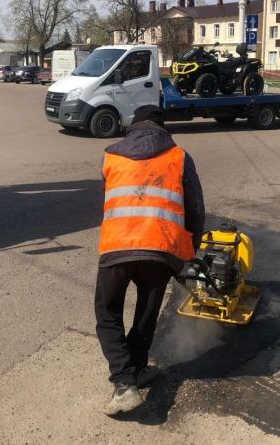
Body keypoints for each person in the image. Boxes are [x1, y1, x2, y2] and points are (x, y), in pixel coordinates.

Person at [95, 105, 205, 416]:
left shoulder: (110, 156)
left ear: (132, 126)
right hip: (160, 249)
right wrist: (190, 251)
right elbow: (195, 208)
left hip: (117, 247)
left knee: (107, 313)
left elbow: (108, 197)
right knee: (146, 312)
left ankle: (125, 382)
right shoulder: (179, 156)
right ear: (163, 128)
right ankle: (135, 371)